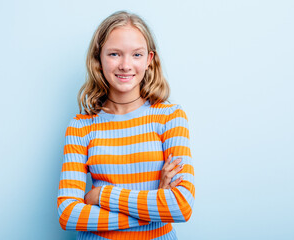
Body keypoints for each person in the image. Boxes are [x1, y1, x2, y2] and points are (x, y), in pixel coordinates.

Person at [57, 10, 194, 239]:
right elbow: (68, 214)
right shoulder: (81, 126)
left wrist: (101, 195)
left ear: (149, 60)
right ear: (99, 59)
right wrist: (156, 206)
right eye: (114, 54)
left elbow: (181, 206)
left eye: (137, 55)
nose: (125, 65)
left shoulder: (170, 117)